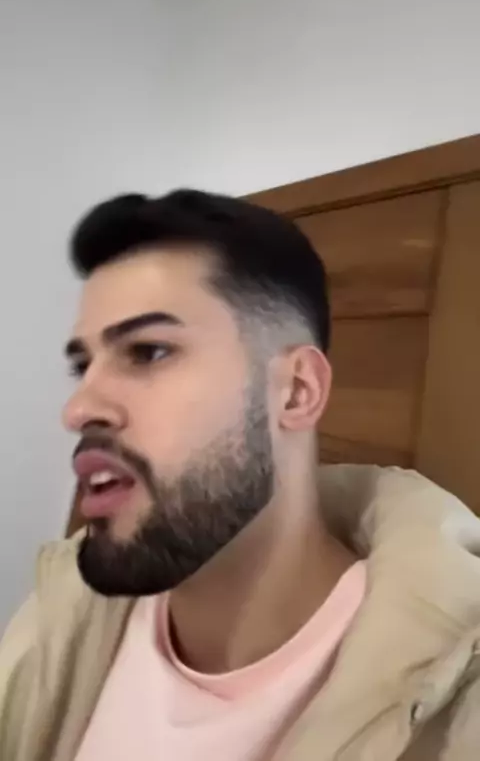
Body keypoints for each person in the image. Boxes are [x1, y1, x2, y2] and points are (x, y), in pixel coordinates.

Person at [1, 189, 479, 761]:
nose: (78, 408)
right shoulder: (59, 613)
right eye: (84, 365)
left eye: (147, 351)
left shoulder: (457, 703)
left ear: (296, 391)